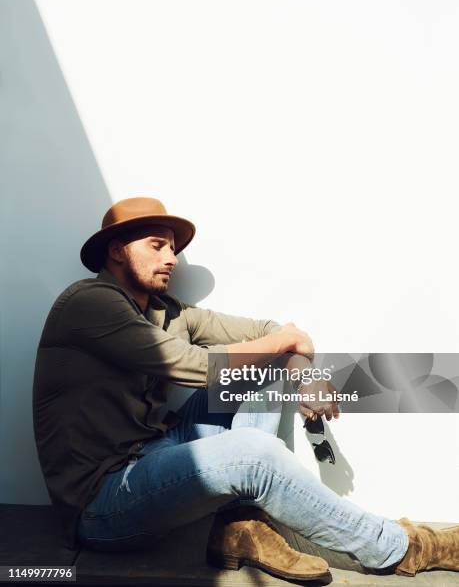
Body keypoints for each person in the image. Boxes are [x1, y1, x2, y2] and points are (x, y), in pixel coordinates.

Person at [33, 197, 459, 583]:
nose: (172, 259)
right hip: (106, 500)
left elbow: (272, 333)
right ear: (116, 250)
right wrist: (285, 343)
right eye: (156, 245)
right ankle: (406, 548)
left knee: (263, 364)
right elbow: (195, 366)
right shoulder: (88, 303)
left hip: (155, 453)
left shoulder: (167, 311)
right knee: (255, 454)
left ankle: (239, 528)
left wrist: (299, 370)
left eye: (173, 249)